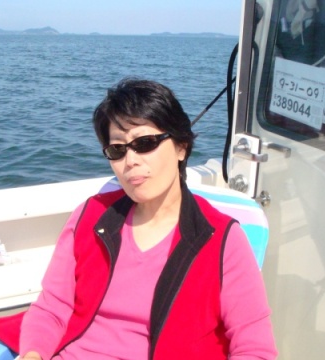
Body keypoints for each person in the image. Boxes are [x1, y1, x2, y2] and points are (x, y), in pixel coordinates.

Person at [17, 78, 277, 359]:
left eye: (145, 143)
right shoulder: (89, 217)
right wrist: (31, 354)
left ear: (181, 146)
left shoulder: (222, 239)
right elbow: (51, 308)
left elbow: (254, 348)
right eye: (118, 149)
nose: (130, 161)